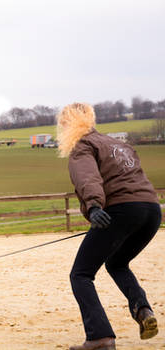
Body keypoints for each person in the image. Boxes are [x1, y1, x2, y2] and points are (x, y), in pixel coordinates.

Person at [56, 103, 162, 350]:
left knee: (80, 274)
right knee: (117, 263)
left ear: (66, 124)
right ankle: (143, 310)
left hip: (121, 210)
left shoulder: (82, 146)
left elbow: (87, 177)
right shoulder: (118, 144)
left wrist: (94, 207)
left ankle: (99, 337)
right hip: (151, 210)